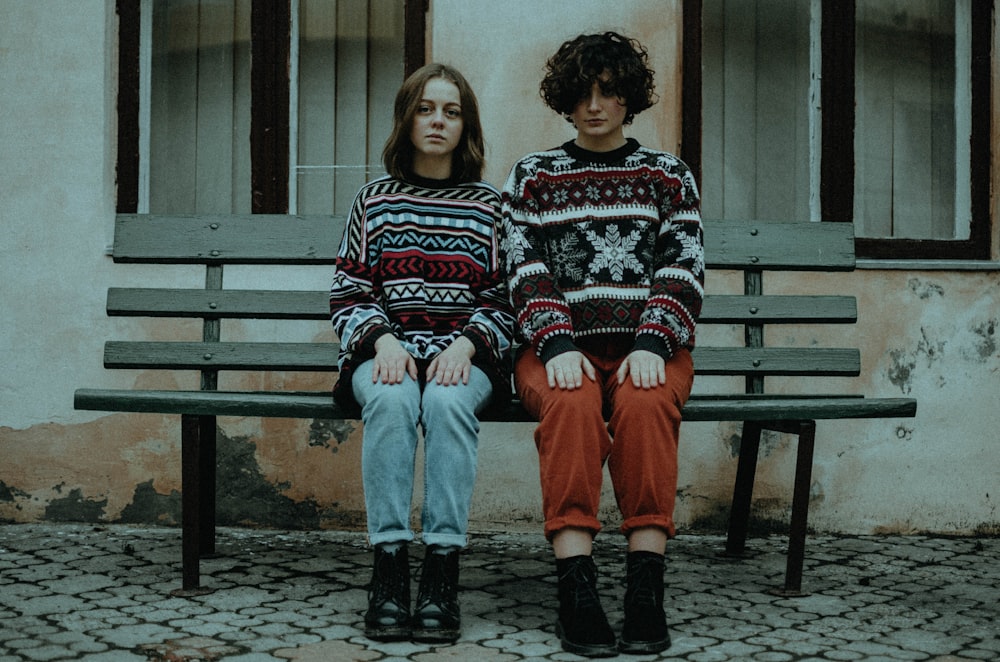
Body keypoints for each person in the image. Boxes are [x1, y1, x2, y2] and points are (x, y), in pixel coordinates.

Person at [500, 32, 704, 657]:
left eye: (609, 92)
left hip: (650, 346)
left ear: (628, 98)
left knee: (645, 405)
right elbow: (522, 267)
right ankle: (577, 591)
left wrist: (653, 340)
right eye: (583, 93)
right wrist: (558, 345)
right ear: (564, 99)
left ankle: (645, 592)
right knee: (573, 404)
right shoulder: (535, 175)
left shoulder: (666, 174)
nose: (595, 105)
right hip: (556, 347)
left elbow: (684, 266)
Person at [329, 63, 514, 644]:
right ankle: (388, 567)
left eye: (451, 112)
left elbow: (507, 301)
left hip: (464, 357)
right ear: (407, 119)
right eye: (426, 109)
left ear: (467, 126)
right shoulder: (374, 201)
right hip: (385, 353)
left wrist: (466, 343)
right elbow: (348, 291)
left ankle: (440, 570)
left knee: (449, 401)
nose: (438, 121)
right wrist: (382, 340)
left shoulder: (490, 207)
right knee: (389, 399)